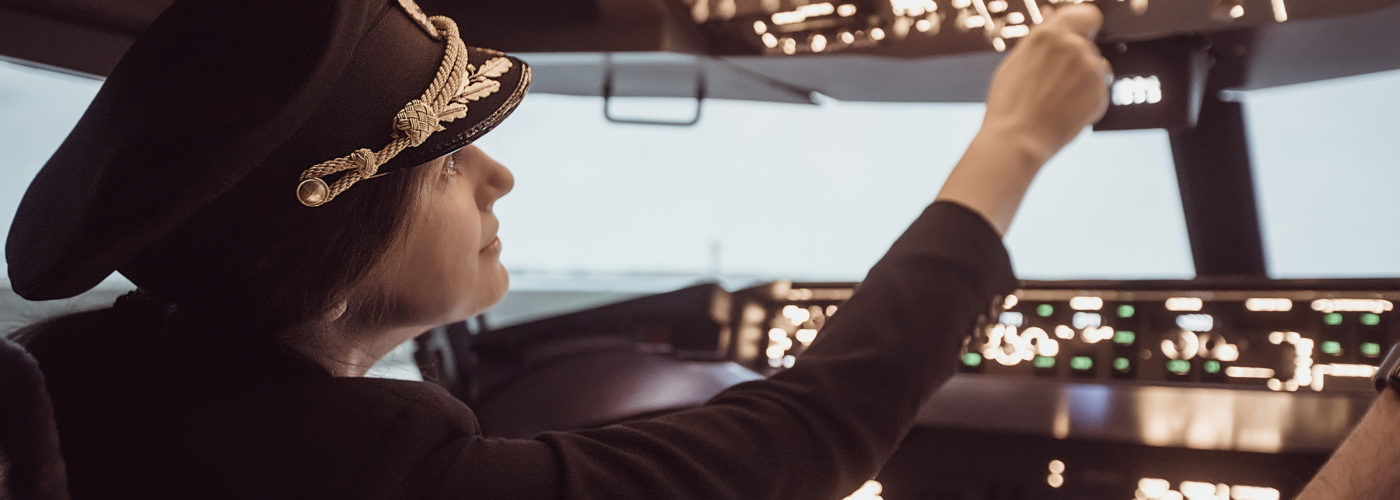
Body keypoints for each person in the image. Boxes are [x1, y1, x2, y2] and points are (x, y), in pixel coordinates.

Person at [5, 0, 1112, 498]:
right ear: (332, 262)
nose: (498, 174)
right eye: (446, 162)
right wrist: (1011, 144)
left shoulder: (72, 382)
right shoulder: (369, 476)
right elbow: (812, 431)